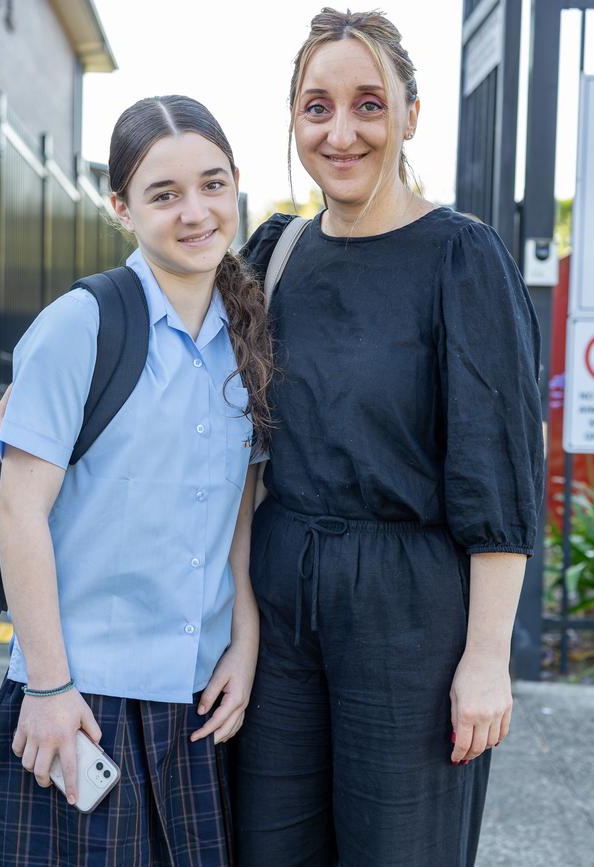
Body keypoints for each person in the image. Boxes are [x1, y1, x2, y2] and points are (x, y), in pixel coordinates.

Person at [231, 8, 544, 867]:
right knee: (267, 850)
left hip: (409, 610)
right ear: (294, 118)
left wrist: (486, 660)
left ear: (411, 113)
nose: (342, 131)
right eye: (317, 106)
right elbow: (180, 354)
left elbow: (501, 474)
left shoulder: (462, 259)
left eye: (369, 103)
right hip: (281, 598)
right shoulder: (277, 253)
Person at [0, 95, 271, 867]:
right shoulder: (81, 324)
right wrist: (48, 688)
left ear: (237, 185)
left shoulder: (244, 340)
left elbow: (236, 512)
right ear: (121, 207)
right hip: (83, 699)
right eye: (164, 193)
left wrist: (243, 641)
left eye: (212, 185)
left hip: (197, 702)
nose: (195, 211)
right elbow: (20, 514)